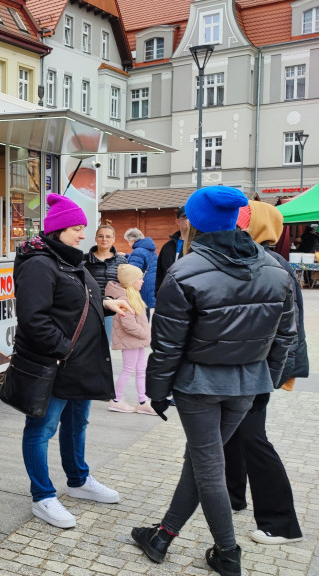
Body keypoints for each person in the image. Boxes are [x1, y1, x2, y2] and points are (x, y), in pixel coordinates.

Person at [132, 186, 296, 576]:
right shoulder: (276, 268)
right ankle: (163, 535)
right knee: (201, 460)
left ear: (196, 222)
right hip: (246, 384)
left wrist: (156, 392)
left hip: (199, 387)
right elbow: (285, 337)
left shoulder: (184, 271)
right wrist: (266, 382)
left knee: (208, 468)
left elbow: (167, 345)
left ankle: (227, 552)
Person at [14, 193, 130, 529]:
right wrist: (65, 350)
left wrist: (108, 304)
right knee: (41, 429)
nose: (83, 234)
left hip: (79, 364)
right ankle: (43, 496)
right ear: (58, 230)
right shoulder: (40, 264)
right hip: (57, 364)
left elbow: (79, 298)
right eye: (77, 228)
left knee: (77, 424)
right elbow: (33, 319)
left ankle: (78, 480)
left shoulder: (69, 260)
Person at [223, 200, 306, 545]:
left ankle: (281, 523)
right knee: (236, 433)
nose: (235, 225)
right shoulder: (259, 258)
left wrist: (272, 376)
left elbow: (288, 330)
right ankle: (233, 495)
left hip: (257, 369)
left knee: (254, 439)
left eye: (242, 221)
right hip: (248, 367)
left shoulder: (268, 264)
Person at [104, 265, 154, 414]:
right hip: (130, 340)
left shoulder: (134, 296)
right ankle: (117, 400)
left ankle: (143, 401)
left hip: (136, 340)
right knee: (128, 369)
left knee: (141, 370)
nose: (142, 281)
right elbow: (128, 323)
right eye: (139, 278)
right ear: (131, 281)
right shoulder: (125, 298)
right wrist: (144, 334)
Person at [85, 224, 127, 344]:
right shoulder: (84, 260)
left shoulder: (121, 260)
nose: (104, 239)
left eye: (108, 236)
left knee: (105, 344)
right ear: (95, 238)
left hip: (111, 308)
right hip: (90, 307)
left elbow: (126, 284)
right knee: (88, 344)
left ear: (114, 239)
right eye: (101, 236)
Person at [124, 228, 157, 321]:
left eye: (128, 241)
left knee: (140, 311)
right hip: (151, 284)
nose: (128, 243)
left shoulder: (138, 251)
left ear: (133, 240)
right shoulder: (149, 249)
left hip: (142, 285)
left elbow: (133, 270)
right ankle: (145, 330)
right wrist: (128, 256)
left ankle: (141, 332)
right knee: (145, 309)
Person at [156, 206, 188, 293]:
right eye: (185, 218)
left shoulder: (199, 245)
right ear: (178, 221)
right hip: (169, 294)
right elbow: (160, 274)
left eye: (191, 217)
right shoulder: (168, 247)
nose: (189, 221)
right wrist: (158, 294)